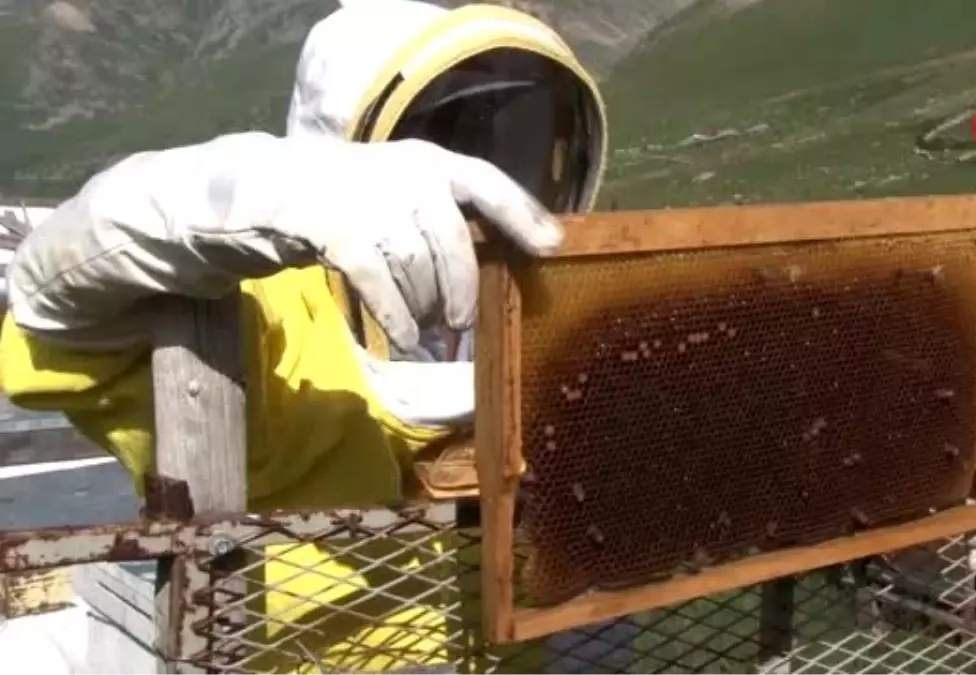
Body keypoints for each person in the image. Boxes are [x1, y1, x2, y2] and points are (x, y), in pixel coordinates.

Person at [1, 2, 611, 672]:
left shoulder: (559, 331)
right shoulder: (259, 324)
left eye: (518, 147)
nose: (482, 190)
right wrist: (253, 195)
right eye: (446, 142)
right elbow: (59, 316)